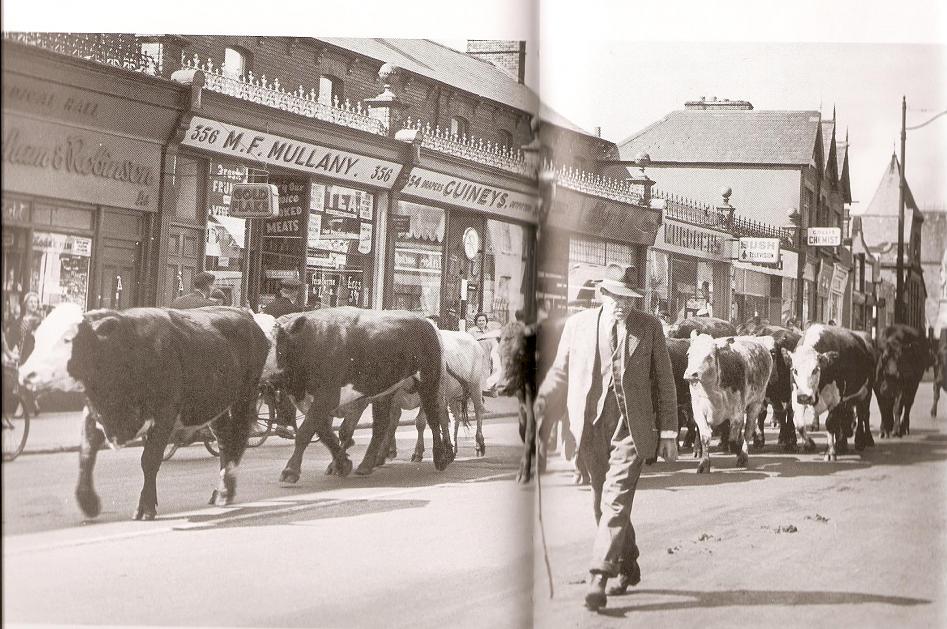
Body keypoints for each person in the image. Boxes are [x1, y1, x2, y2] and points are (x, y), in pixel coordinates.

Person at [534, 263, 678, 611]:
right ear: (602, 294)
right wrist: (539, 405)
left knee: (615, 500)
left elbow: (665, 382)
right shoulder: (577, 327)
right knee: (603, 501)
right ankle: (628, 563)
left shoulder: (650, 328)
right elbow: (560, 372)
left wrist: (669, 431)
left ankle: (599, 576)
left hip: (632, 429)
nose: (623, 304)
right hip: (591, 428)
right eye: (616, 295)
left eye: (630, 298)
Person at [6, 292, 44, 416]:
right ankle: (35, 403)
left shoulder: (39, 320)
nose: (34, 304)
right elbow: (13, 336)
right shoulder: (20, 320)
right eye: (31, 301)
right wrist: (12, 349)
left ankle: (20, 409)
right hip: (21, 354)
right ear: (26, 304)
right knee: (24, 379)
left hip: (33, 354)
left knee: (23, 378)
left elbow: (43, 336)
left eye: (36, 302)